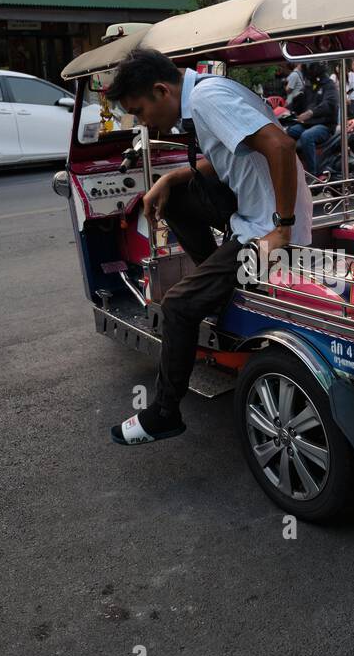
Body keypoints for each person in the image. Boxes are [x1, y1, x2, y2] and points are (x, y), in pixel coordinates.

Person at [103, 49, 313, 444]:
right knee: (177, 197)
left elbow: (281, 146)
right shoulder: (205, 94)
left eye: (141, 111)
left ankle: (164, 412)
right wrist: (170, 179)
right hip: (254, 215)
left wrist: (282, 230)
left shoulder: (207, 99)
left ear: (161, 90)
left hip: (268, 229)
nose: (145, 123)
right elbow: (231, 157)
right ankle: (216, 289)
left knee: (179, 306)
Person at [284, 62, 339, 175]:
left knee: (307, 136)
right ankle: (292, 169)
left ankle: (313, 174)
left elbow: (329, 104)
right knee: (285, 133)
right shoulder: (310, 85)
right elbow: (299, 102)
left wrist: (311, 113)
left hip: (325, 126)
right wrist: (284, 109)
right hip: (308, 124)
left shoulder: (329, 85)